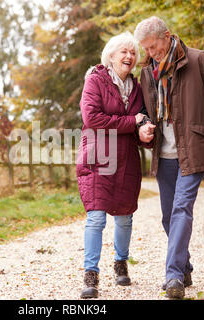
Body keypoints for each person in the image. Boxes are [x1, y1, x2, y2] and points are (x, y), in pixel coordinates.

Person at [134, 16, 204, 299]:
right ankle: (185, 265)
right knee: (168, 217)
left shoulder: (200, 61)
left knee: (181, 210)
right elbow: (142, 108)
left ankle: (174, 277)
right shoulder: (147, 71)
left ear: (167, 36)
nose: (151, 54)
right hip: (163, 154)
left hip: (193, 149)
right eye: (147, 49)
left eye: (154, 47)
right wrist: (142, 124)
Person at [76, 32, 155, 299]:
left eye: (133, 53)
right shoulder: (95, 81)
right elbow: (92, 119)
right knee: (96, 217)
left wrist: (144, 132)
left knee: (124, 216)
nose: (129, 57)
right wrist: (132, 122)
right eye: (124, 51)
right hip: (98, 156)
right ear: (110, 55)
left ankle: (121, 263)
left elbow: (143, 121)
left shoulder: (138, 87)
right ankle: (91, 274)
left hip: (126, 160)